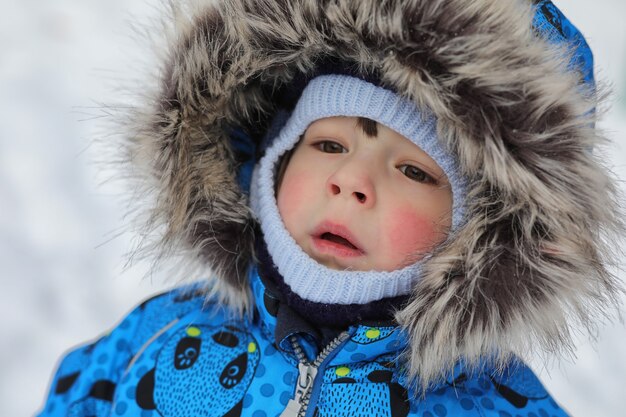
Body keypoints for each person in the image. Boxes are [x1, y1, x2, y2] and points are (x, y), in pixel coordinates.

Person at [37, 0, 622, 416]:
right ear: (272, 159)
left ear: (478, 235)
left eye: (414, 171)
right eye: (329, 144)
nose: (350, 181)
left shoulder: (492, 404)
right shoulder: (158, 337)